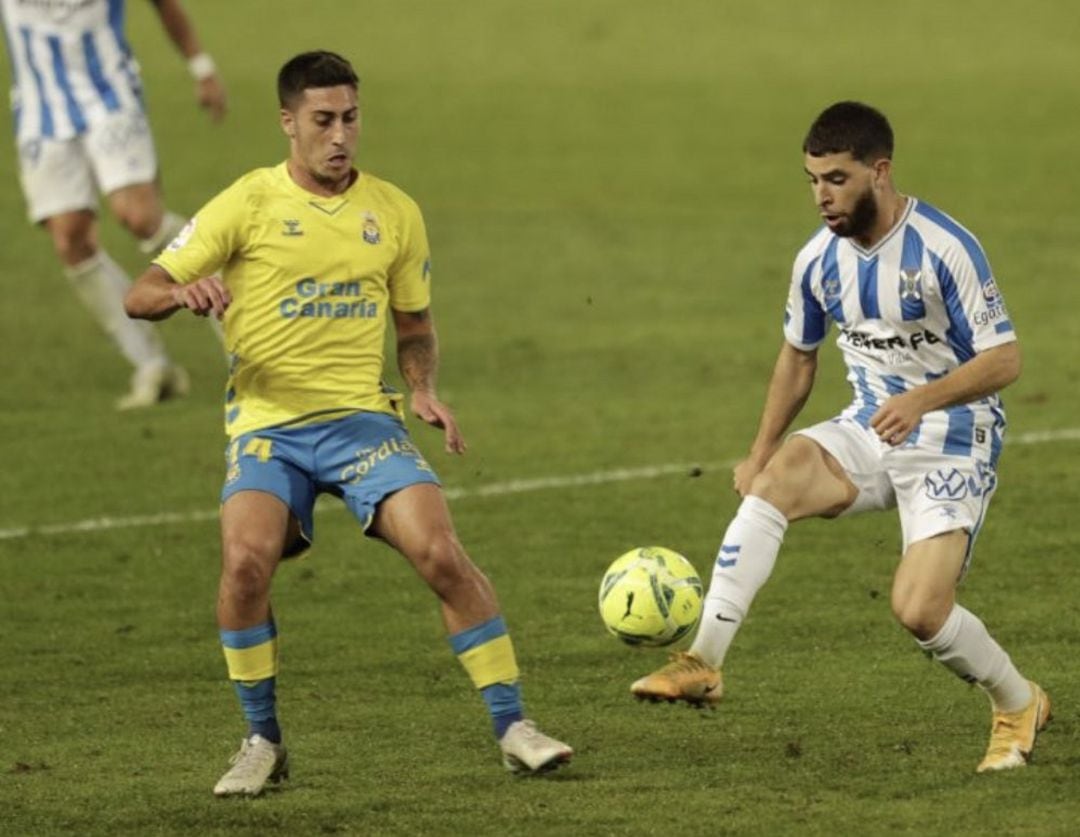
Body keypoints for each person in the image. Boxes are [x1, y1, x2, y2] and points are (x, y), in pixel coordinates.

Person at [124, 50, 572, 797]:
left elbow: (416, 326)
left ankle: (513, 725)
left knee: (439, 552)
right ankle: (262, 739)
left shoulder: (394, 212)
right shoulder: (248, 202)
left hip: (363, 422)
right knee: (243, 564)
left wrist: (423, 387)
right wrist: (182, 293)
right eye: (324, 121)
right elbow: (143, 291)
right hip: (269, 427)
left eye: (351, 119)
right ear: (289, 122)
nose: (341, 136)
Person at [631, 101, 1050, 773]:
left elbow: (1007, 359)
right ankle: (703, 660)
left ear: (879, 172)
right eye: (812, 179)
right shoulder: (817, 261)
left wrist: (924, 397)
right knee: (777, 479)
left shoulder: (945, 248)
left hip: (954, 436)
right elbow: (799, 356)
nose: (822, 196)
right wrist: (759, 450)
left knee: (919, 609)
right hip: (870, 425)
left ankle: (1016, 700)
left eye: (836, 178)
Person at [2, 0, 227, 409]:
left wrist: (201, 67)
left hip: (109, 94)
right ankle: (152, 365)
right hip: (40, 109)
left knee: (140, 217)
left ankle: (237, 325)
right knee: (70, 239)